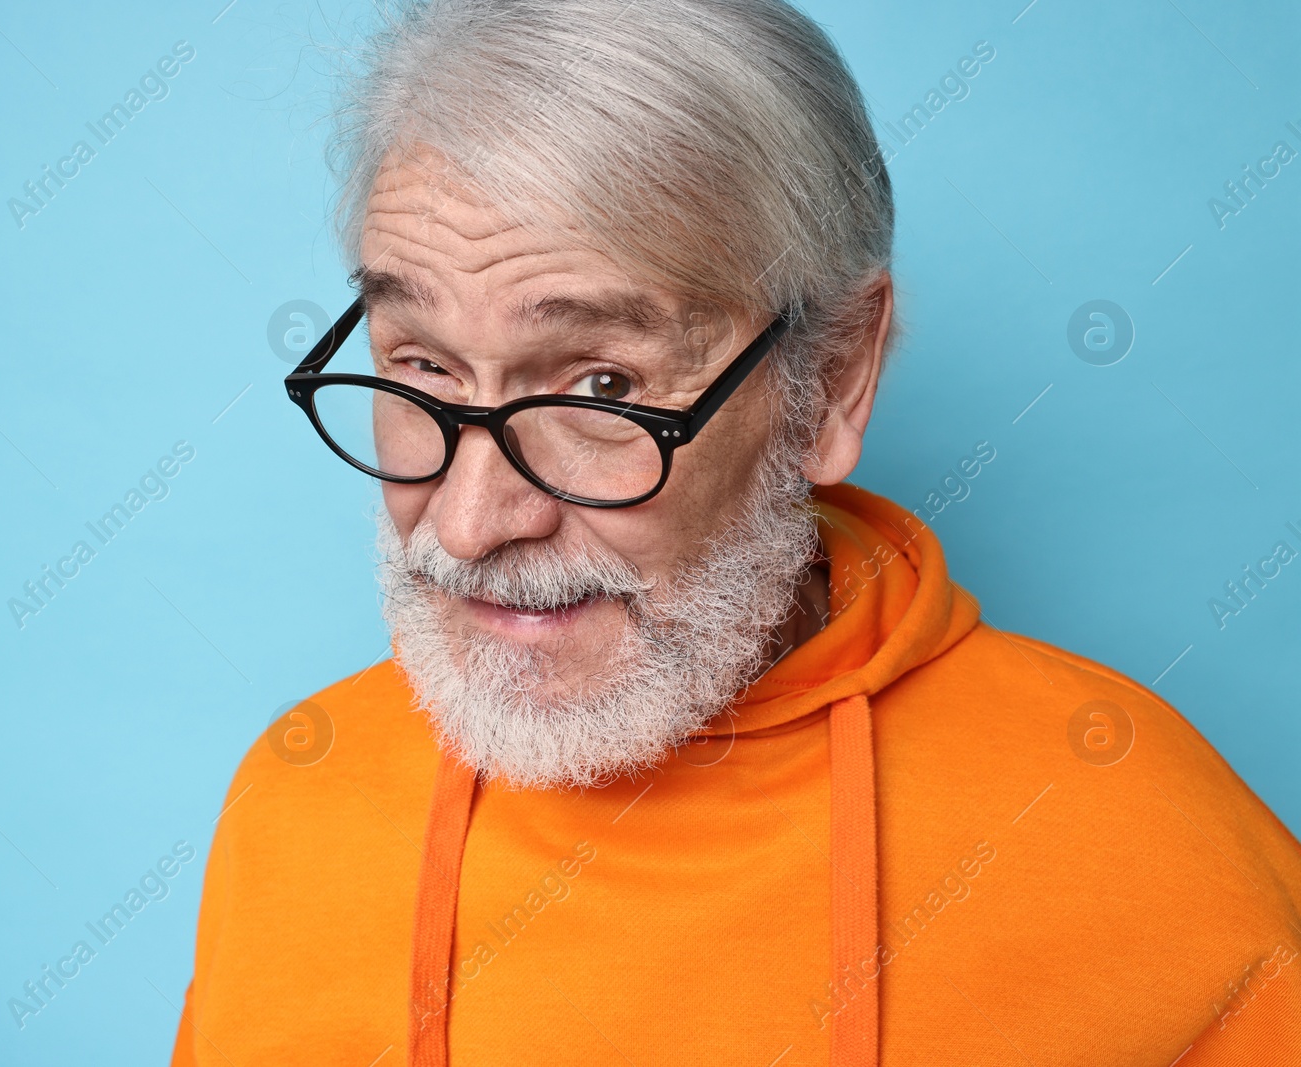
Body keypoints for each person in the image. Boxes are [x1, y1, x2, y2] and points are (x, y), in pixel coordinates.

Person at [172, 1, 1301, 1063]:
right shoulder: (296, 803)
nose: (468, 523)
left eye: (600, 385)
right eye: (419, 363)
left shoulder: (1131, 828)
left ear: (835, 376)